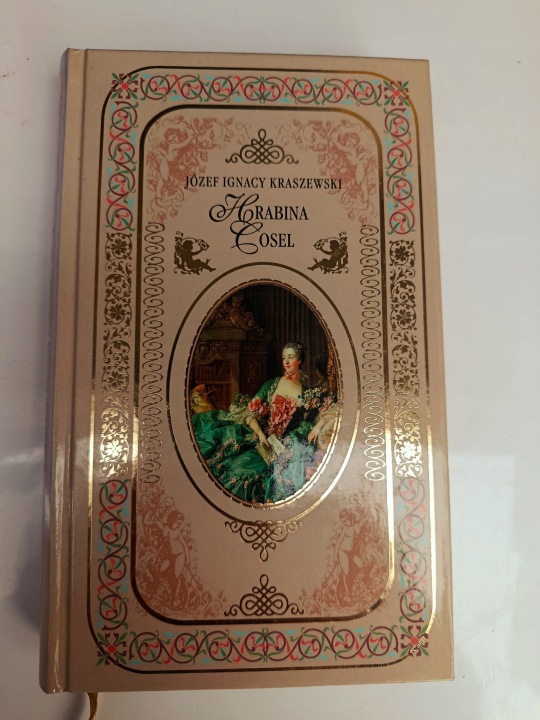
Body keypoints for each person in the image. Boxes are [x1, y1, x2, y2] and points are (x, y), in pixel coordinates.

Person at [191, 341, 336, 503]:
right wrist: (260, 434)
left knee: (257, 476)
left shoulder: (307, 393)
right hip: (261, 438)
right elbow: (249, 413)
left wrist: (316, 428)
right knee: (235, 468)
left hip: (284, 444)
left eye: (291, 357)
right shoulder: (271, 384)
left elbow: (332, 410)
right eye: (284, 358)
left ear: (299, 360)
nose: (287, 362)